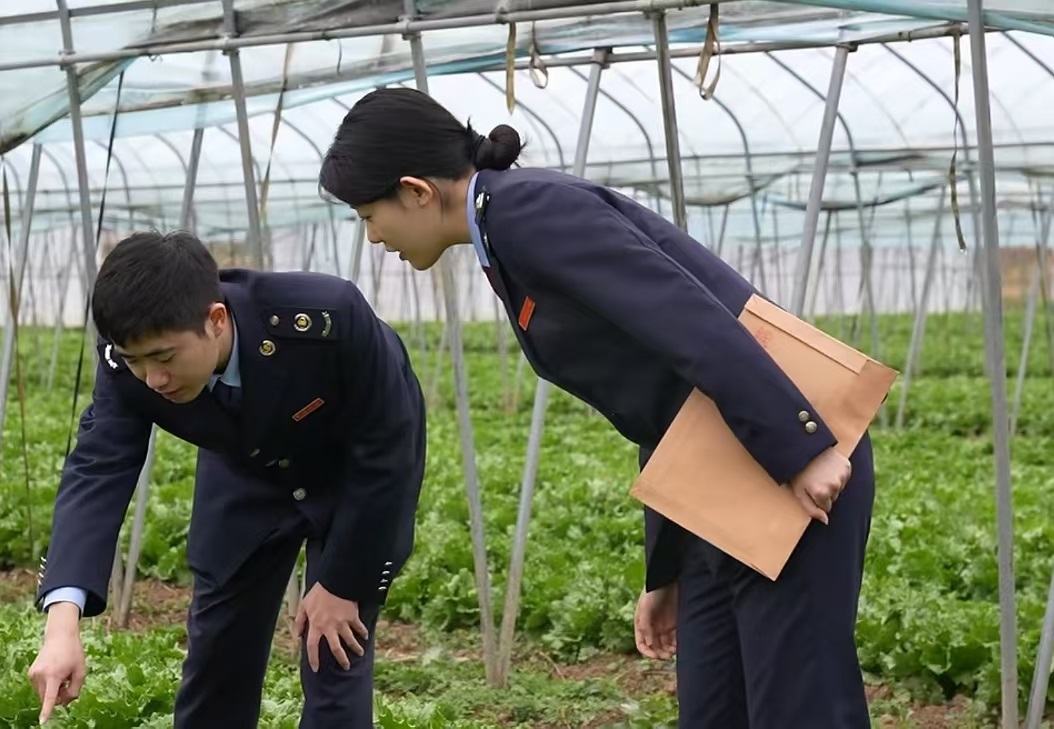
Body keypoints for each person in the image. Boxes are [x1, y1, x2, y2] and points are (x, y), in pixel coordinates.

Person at [316, 87, 874, 729]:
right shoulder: (505, 232)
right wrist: (667, 569)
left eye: (367, 214)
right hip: (730, 471)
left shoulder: (528, 214)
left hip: (788, 461)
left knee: (801, 707)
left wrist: (801, 449)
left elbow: (690, 322)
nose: (373, 237)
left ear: (415, 191)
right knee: (716, 707)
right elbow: (660, 398)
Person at [28, 231, 427, 728]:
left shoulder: (328, 317)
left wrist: (342, 582)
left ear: (215, 321)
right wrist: (61, 626)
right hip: (246, 472)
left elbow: (389, 449)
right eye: (136, 362)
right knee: (217, 657)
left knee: (334, 655)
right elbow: (98, 470)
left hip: (353, 481)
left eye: (165, 358)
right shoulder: (129, 365)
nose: (153, 379)